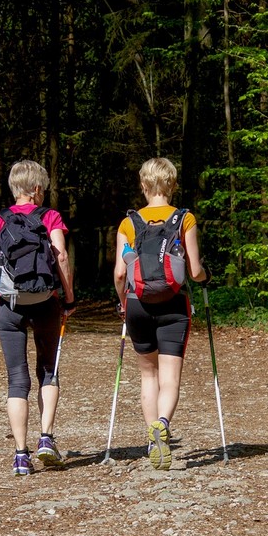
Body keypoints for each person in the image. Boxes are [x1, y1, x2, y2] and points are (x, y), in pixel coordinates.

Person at [113, 157, 210, 470]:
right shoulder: (184, 219)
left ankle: (153, 437)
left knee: (148, 375)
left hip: (137, 303)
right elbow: (194, 271)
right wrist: (206, 276)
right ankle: (164, 423)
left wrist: (122, 304)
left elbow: (119, 273)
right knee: (170, 378)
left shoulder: (128, 224)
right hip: (173, 304)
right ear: (173, 185)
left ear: (143, 186)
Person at [0, 160, 76, 476]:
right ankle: (46, 437)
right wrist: (69, 297)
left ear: (14, 188)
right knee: (48, 368)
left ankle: (21, 455)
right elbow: (60, 257)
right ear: (37, 189)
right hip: (45, 301)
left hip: (10, 304)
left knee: (17, 378)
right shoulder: (50, 217)